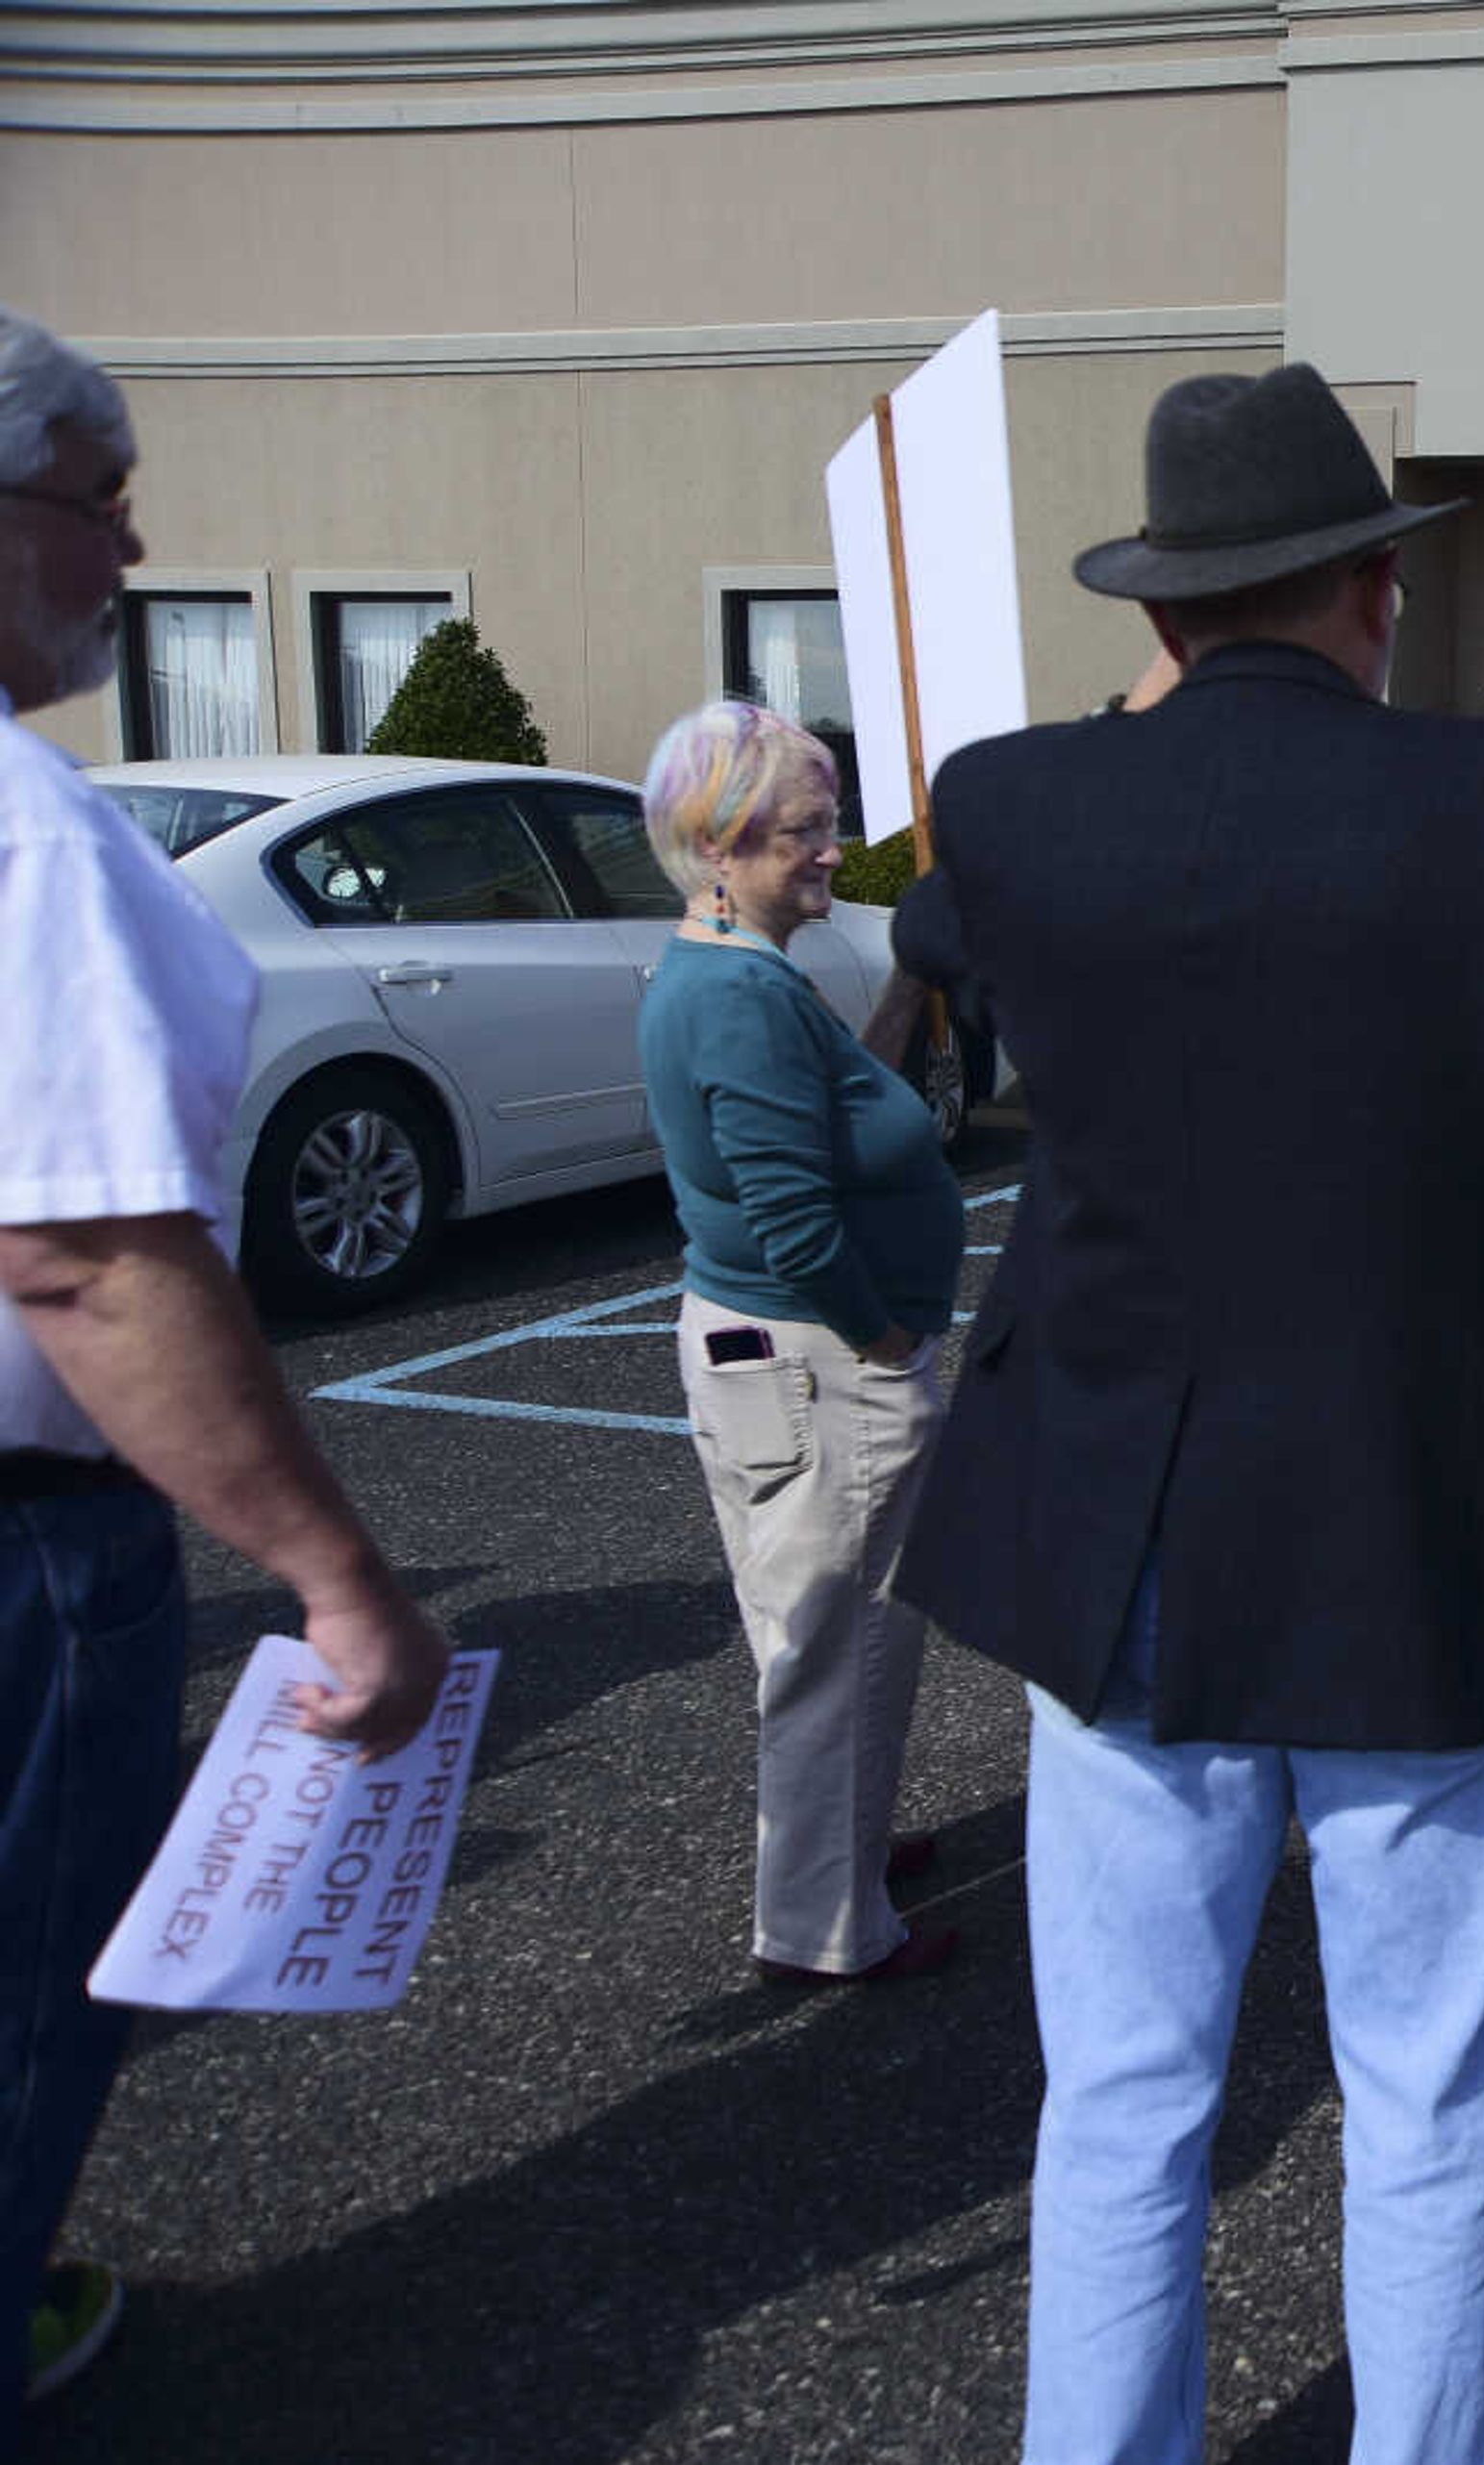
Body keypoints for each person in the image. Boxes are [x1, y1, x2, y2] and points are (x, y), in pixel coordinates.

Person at [888, 365, 1484, 2465]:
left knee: (1123, 2109)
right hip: (1420, 1514)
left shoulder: (1007, 802)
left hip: (1120, 1534)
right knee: (1433, 2104)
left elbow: (933, 935)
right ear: (1372, 587)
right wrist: (1470, 1312)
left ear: (1162, 614)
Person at [0, 306, 451, 2441]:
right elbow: (85, 1255)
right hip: (24, 1549)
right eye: (98, 508)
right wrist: (336, 1573)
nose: (132, 549)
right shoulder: (30, 841)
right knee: (19, 1994)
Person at [637, 700, 967, 1986]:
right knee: (839, 1635)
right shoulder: (736, 993)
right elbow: (790, 1214)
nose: (833, 851)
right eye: (802, 834)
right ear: (720, 847)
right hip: (813, 1359)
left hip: (772, 1354)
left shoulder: (734, 965)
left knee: (819, 1627)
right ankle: (827, 1923)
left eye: (828, 823)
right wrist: (883, 1343)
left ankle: (838, 1850)